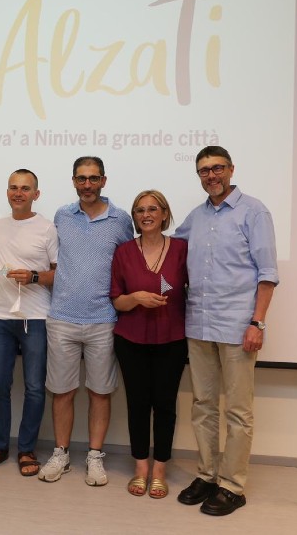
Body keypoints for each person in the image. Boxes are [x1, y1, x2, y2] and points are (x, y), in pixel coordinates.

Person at [173, 145, 278, 516]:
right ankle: (207, 474)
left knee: (237, 410)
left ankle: (232, 485)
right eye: (204, 170)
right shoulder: (196, 217)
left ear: (231, 169)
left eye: (217, 168)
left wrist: (257, 322)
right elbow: (171, 255)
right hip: (199, 324)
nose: (211, 175)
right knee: (203, 405)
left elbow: (268, 274)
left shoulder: (254, 212)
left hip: (237, 327)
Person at [39, 156, 133, 486]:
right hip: (62, 317)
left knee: (100, 392)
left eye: (93, 178)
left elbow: (130, 264)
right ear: (74, 181)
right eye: (81, 178)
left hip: (103, 319)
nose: (87, 184)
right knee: (61, 391)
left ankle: (94, 456)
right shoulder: (62, 216)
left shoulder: (121, 220)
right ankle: (61, 454)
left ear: (103, 181)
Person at [0, 169, 58, 476]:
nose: (18, 193)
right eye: (13, 187)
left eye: (25, 188)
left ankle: (27, 449)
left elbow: (59, 273)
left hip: (36, 318)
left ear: (36, 194)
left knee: (35, 388)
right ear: (7, 192)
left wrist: (34, 277)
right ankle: (0, 445)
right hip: (0, 317)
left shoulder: (47, 228)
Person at [110, 190, 188, 499]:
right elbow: (117, 300)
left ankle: (160, 470)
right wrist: (136, 298)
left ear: (165, 214)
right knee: (138, 404)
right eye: (140, 210)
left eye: (153, 209)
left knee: (165, 406)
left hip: (172, 339)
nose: (146, 214)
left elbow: (191, 288)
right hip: (131, 339)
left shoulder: (181, 249)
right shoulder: (124, 252)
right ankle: (141, 468)